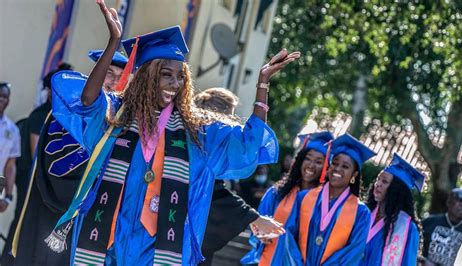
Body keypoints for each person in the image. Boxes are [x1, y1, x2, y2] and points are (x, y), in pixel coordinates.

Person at [35, 1, 300, 265]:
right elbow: (87, 101)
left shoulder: (196, 132)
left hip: (158, 246)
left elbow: (247, 142)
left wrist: (262, 85)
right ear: (148, 77)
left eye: (180, 76)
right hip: (108, 238)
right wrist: (113, 44)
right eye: (166, 75)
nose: (175, 84)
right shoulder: (117, 118)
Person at [6, 52, 125, 266]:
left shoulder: (119, 122)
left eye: (120, 76)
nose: (115, 81)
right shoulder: (68, 112)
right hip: (54, 200)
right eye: (108, 73)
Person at [194, 87, 284, 265]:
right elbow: (212, 194)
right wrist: (252, 217)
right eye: (230, 116)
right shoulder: (201, 145)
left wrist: (251, 218)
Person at [276, 133, 375, 265]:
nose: (338, 169)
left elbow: (353, 253)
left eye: (345, 166)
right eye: (335, 163)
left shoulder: (361, 213)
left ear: (354, 174)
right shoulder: (304, 198)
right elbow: (289, 237)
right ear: (328, 167)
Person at [241, 131, 334, 265]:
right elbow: (257, 225)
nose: (311, 165)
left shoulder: (324, 204)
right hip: (269, 259)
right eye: (308, 158)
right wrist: (260, 234)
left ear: (326, 168)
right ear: (300, 160)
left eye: (319, 162)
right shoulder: (277, 193)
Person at [360, 153, 424, 265]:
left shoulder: (407, 229)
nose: (377, 184)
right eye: (378, 179)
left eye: (384, 182)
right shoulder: (364, 213)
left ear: (396, 190)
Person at [422, 188, 462, 266]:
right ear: (449, 202)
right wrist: (423, 260)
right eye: (460, 201)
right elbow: (413, 247)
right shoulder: (429, 222)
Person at [0, 82, 20, 261]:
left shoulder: (12, 130)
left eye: (4, 96)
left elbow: (10, 165)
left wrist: (8, 195)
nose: (1, 99)